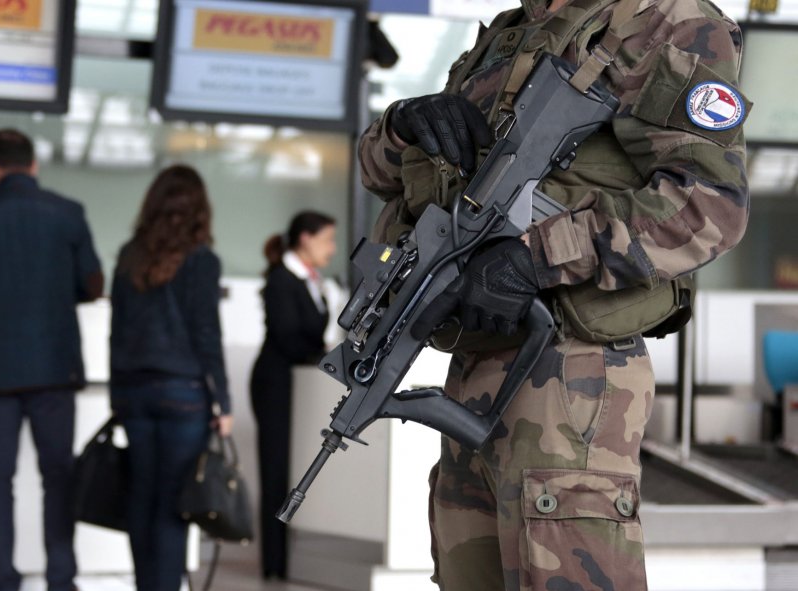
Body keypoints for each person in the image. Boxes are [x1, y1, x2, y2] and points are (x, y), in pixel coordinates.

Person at [358, 0, 750, 587]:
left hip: (572, 371)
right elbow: (376, 170)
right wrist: (404, 121)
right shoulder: (508, 35)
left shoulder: (664, 21)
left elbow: (711, 205)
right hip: (473, 372)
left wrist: (537, 257)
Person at [0, 129, 103, 591]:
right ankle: (61, 578)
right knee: (58, 475)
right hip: (54, 365)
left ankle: (4, 579)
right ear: (33, 165)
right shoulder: (68, 214)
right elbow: (92, 285)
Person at [109, 164, 233, 591]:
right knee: (171, 505)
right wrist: (224, 402)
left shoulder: (130, 254)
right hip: (183, 395)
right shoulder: (202, 261)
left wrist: (116, 393)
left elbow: (117, 328)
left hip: (134, 392)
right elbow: (206, 334)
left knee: (141, 499)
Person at [250, 211, 336, 580]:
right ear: (305, 238)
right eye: (326, 240)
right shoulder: (282, 280)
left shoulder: (311, 281)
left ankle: (285, 560)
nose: (331, 249)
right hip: (275, 382)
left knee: (292, 467)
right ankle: (273, 564)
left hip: (296, 382)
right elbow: (288, 336)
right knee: (275, 471)